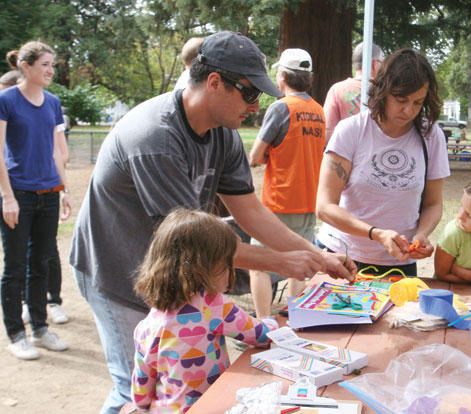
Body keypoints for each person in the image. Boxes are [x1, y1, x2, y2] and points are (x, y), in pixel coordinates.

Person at [69, 31, 355, 414]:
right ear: (216, 83)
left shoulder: (225, 134)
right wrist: (281, 263)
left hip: (173, 275)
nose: (256, 107)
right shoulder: (156, 138)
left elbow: (250, 211)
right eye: (251, 94)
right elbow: (196, 245)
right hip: (116, 269)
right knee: (132, 394)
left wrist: (316, 255)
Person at [125, 208, 278, 413]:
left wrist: (141, 407)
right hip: (210, 408)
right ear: (204, 268)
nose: (232, 273)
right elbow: (262, 336)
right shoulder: (212, 306)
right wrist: (271, 321)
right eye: (227, 264)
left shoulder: (146, 325)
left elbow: (141, 390)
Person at [315, 49, 450, 276]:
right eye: (401, 100)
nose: (409, 110)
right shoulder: (352, 130)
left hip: (400, 261)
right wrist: (375, 233)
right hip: (342, 257)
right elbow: (325, 207)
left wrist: (422, 234)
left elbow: (433, 203)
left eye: (418, 102)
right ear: (383, 91)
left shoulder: (431, 136)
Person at [0, 41, 72, 360]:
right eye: (44, 64)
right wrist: (7, 197)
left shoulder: (53, 102)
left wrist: (64, 189)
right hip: (19, 194)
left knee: (40, 263)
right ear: (25, 66)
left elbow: (57, 151)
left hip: (48, 193)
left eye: (52, 64)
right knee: (15, 266)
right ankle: (17, 333)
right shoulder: (6, 100)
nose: (50, 70)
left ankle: (40, 329)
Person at [248, 48, 324, 318]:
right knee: (300, 264)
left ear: (282, 76)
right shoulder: (318, 111)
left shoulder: (280, 107)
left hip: (279, 201)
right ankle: (296, 319)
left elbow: (256, 156)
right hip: (309, 200)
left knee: (258, 265)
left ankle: (263, 323)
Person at [323, 42, 384, 143]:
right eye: (382, 63)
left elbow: (327, 133)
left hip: (345, 154)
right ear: (374, 64)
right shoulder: (386, 91)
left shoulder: (337, 89)